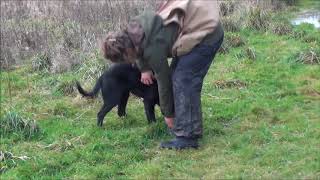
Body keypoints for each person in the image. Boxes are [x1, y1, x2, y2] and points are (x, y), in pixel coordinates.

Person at [102, 0, 224, 149]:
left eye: (126, 59)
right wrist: (144, 69)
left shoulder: (152, 49)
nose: (129, 62)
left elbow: (163, 80)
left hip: (206, 35)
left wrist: (167, 114)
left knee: (183, 80)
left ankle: (188, 136)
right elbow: (138, 50)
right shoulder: (134, 29)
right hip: (191, 31)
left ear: (127, 51)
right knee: (177, 77)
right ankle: (184, 124)